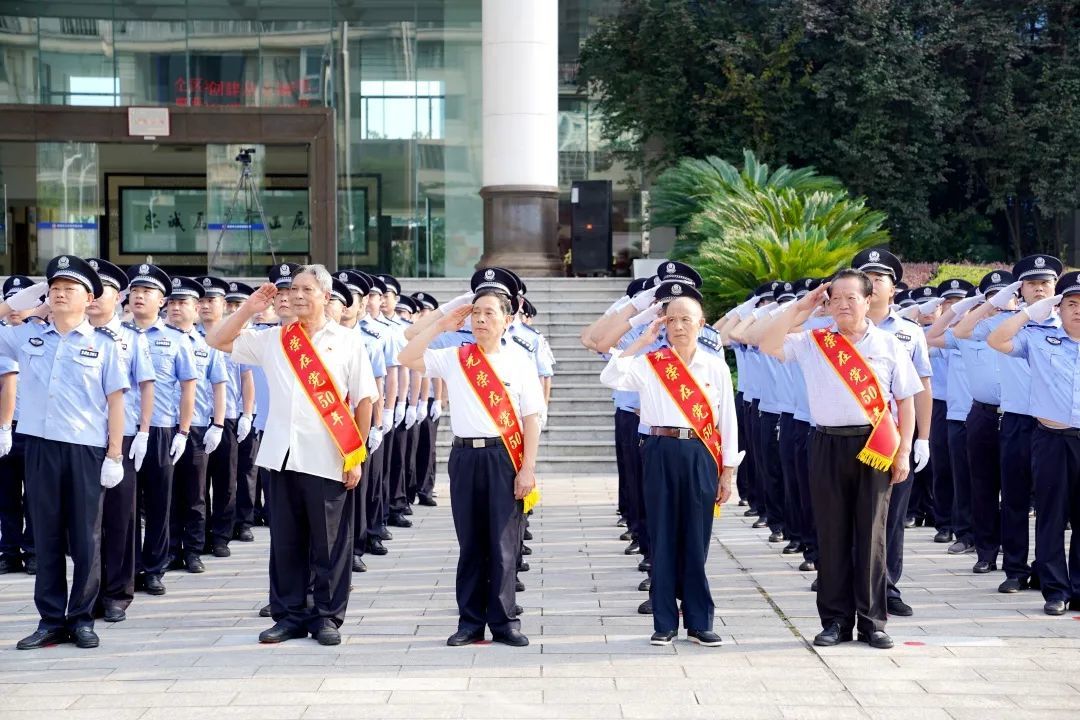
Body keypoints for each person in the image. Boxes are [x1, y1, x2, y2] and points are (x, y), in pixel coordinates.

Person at [207, 264, 378, 644]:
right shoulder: (273, 339)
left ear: (325, 296)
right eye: (292, 289)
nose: (296, 295)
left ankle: (327, 617)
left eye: (306, 289)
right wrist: (249, 308)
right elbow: (216, 340)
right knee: (285, 541)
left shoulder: (348, 340)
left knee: (329, 543)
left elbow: (364, 399)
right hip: (280, 456)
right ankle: (289, 614)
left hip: (329, 456)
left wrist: (356, 455)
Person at [758, 269, 921, 650]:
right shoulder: (814, 341)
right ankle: (834, 620)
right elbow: (766, 343)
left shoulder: (889, 343)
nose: (843, 305)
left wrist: (904, 452)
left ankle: (872, 622)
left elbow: (906, 401)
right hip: (826, 443)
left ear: (869, 301)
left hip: (876, 444)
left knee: (872, 535)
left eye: (852, 298)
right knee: (831, 534)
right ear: (827, 303)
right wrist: (803, 306)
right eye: (836, 298)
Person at [399, 267, 542, 648]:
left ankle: (505, 621)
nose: (480, 319)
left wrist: (527, 468)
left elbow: (532, 419)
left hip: (503, 457)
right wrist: (442, 324)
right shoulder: (455, 357)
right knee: (471, 543)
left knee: (503, 543)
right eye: (476, 312)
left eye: (489, 312)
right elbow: (408, 354)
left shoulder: (521, 362)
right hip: (464, 458)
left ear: (508, 319)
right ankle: (470, 622)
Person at [600, 280, 739, 647]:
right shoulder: (651, 363)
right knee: (661, 536)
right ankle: (664, 622)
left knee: (696, 538)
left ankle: (698, 620)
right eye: (671, 319)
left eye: (686, 319)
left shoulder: (714, 365)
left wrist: (729, 470)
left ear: (701, 323)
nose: (678, 326)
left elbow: (728, 421)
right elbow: (610, 375)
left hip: (700, 454)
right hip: (659, 451)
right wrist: (642, 340)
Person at [0, 256, 129, 650]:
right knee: (47, 535)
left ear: (88, 297)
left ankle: (82, 618)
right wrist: (36, 297)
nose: (58, 293)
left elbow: (116, 402)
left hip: (85, 450)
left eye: (68, 289)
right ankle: (50, 619)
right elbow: (3, 313)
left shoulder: (104, 345)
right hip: (40, 447)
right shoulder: (29, 337)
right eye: (54, 287)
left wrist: (115, 455)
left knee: (86, 537)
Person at [963, 255, 1062, 593]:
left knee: (1054, 503)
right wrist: (994, 302)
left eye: (1045, 283)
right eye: (1031, 283)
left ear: (1054, 288)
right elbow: (961, 330)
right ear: (1020, 288)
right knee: (1016, 498)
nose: (1039, 288)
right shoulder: (1006, 323)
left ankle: (1049, 571)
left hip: (1058, 426)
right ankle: (1016, 569)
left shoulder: (1068, 325)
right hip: (1018, 420)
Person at [987, 269, 1079, 615]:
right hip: (1051, 438)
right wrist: (1029, 313)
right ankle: (1055, 590)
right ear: (1059, 306)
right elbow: (996, 340)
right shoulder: (1039, 338)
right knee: (1051, 515)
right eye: (1070, 303)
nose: (1077, 310)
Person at [850, 248, 933, 618]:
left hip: (891, 437)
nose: (874, 282)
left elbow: (920, 390)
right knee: (850, 514)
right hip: (846, 436)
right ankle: (851, 584)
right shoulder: (840, 329)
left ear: (893, 288)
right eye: (867, 276)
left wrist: (923, 439)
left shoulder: (909, 333)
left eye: (880, 277)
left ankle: (888, 586)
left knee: (892, 516)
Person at [85, 259, 156, 623]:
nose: (94, 298)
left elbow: (147, 387)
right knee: (85, 521)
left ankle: (116, 593)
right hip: (81, 438)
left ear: (120, 297)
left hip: (121, 437)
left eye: (103, 291)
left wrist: (142, 432)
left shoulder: (130, 339)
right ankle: (88, 592)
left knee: (120, 517)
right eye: (91, 291)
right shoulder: (73, 334)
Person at [124, 263, 197, 597]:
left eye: (147, 292)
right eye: (136, 291)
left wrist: (183, 432)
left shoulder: (176, 339)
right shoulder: (116, 335)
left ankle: (154, 568)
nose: (139, 296)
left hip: (161, 429)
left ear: (163, 300)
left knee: (158, 502)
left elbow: (187, 388)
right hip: (123, 430)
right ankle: (127, 566)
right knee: (124, 505)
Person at [166, 276, 227, 574]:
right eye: (172, 302)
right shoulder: (155, 339)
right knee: (165, 493)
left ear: (196, 307)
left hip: (198, 428)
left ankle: (192, 550)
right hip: (164, 425)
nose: (176, 308)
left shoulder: (208, 343)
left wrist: (218, 424)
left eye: (183, 303)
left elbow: (219, 385)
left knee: (195, 493)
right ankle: (169, 550)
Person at [194, 275, 254, 557]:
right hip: (195, 419)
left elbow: (246, 378)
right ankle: (199, 535)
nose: (206, 306)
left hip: (227, 416)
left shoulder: (233, 336)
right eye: (202, 300)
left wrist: (247, 413)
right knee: (197, 483)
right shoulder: (188, 334)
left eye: (212, 300)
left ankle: (221, 535)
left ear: (224, 305)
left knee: (225, 479)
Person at [925, 279, 977, 556]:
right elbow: (926, 341)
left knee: (982, 477)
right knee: (946, 469)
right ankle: (949, 525)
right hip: (948, 410)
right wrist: (950, 313)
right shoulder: (950, 336)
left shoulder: (980, 333)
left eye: (961, 301)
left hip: (983, 413)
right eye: (949, 302)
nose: (955, 306)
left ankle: (986, 533)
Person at [0, 275, 33, 576]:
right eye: (11, 300)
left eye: (22, 301)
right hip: (5, 428)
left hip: (32, 426)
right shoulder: (2, 335)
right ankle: (9, 551)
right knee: (6, 496)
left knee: (35, 496)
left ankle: (32, 551)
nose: (15, 308)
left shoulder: (41, 334)